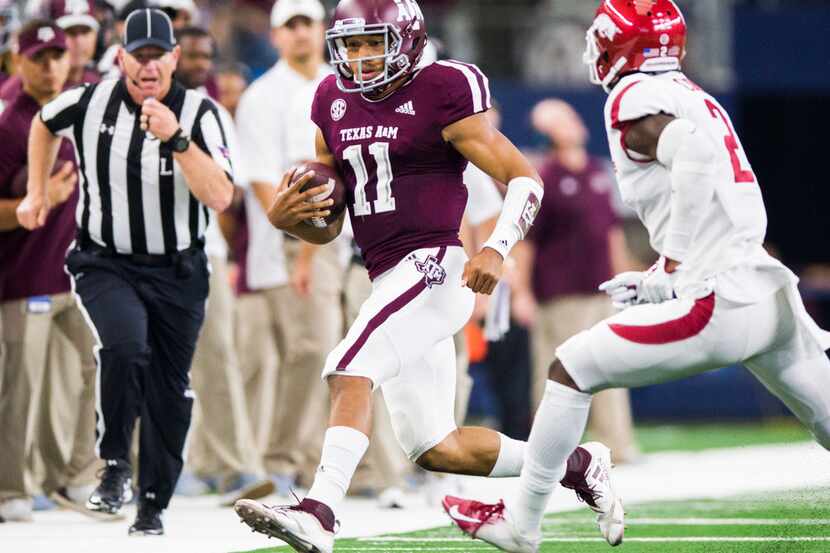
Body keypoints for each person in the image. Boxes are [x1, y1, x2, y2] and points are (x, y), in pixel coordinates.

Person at [442, 1, 830, 552]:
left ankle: (522, 522)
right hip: (765, 290)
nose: (595, 48)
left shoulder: (635, 96)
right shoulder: (689, 92)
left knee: (570, 366)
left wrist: (672, 263)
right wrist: (664, 265)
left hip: (719, 295)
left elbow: (693, 157)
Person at [233, 1, 615, 551]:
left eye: (373, 42)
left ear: (407, 39)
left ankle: (318, 512)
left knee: (347, 370)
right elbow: (331, 225)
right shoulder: (330, 100)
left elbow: (525, 180)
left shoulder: (442, 88)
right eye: (352, 44)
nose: (361, 57)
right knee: (438, 447)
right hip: (383, 271)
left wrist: (497, 249)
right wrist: (288, 224)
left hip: (433, 266)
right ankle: (579, 463)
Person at [16, 8, 233, 536]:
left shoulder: (202, 114)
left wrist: (177, 138)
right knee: (125, 346)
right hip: (105, 260)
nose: (149, 66)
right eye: (139, 56)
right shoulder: (90, 101)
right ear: (121, 58)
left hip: (179, 270)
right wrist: (37, 191)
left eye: (159, 56)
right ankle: (113, 466)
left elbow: (221, 195)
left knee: (168, 390)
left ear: (175, 59)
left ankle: (153, 502)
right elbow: (44, 123)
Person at [234, 0, 343, 494]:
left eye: (308, 24)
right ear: (276, 35)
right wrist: (303, 238)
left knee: (334, 353)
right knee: (309, 350)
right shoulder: (262, 95)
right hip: (290, 242)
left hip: (347, 242)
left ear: (322, 30)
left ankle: (317, 462)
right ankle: (282, 460)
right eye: (290, 26)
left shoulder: (341, 85)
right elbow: (261, 182)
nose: (300, 34)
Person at [0, 19, 97, 524]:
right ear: (19, 62)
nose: (50, 65)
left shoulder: (80, 111)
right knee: (22, 387)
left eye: (57, 55)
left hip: (78, 278)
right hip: (23, 280)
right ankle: (10, 488)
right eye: (39, 57)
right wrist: (33, 201)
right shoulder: (8, 124)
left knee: (103, 365)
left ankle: (79, 475)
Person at [172, 24, 273, 504]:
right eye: (189, 54)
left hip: (204, 250)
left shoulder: (214, 115)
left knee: (218, 359)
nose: (198, 63)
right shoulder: (127, 108)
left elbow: (228, 194)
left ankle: (234, 466)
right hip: (140, 256)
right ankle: (156, 464)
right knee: (144, 361)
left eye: (204, 55)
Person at [516, 98, 639, 463]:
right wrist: (521, 293)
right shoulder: (545, 178)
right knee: (557, 374)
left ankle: (618, 446)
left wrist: (626, 279)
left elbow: (612, 233)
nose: (574, 123)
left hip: (601, 288)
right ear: (549, 132)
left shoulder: (599, 172)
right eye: (563, 120)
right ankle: (548, 451)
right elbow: (526, 244)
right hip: (560, 294)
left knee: (610, 367)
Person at [1, 0, 101, 102]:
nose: (79, 42)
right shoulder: (18, 92)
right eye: (69, 32)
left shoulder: (97, 83)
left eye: (85, 31)